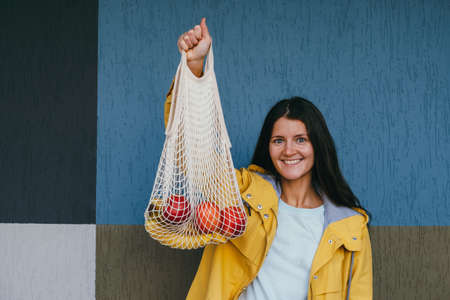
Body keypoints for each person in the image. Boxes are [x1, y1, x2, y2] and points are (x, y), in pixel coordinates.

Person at [165, 18, 372, 300]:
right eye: (278, 140)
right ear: (268, 146)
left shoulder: (351, 225)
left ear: (318, 146)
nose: (289, 150)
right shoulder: (242, 193)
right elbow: (193, 152)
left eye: (301, 139)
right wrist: (193, 67)